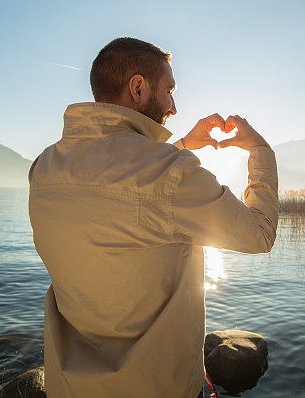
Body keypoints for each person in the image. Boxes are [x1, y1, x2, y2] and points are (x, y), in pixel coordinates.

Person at [28, 37, 278, 397]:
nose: (174, 106)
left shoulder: (44, 168)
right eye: (169, 91)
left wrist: (182, 145)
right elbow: (259, 233)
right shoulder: (169, 172)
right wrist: (260, 150)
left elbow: (125, 183)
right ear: (138, 88)